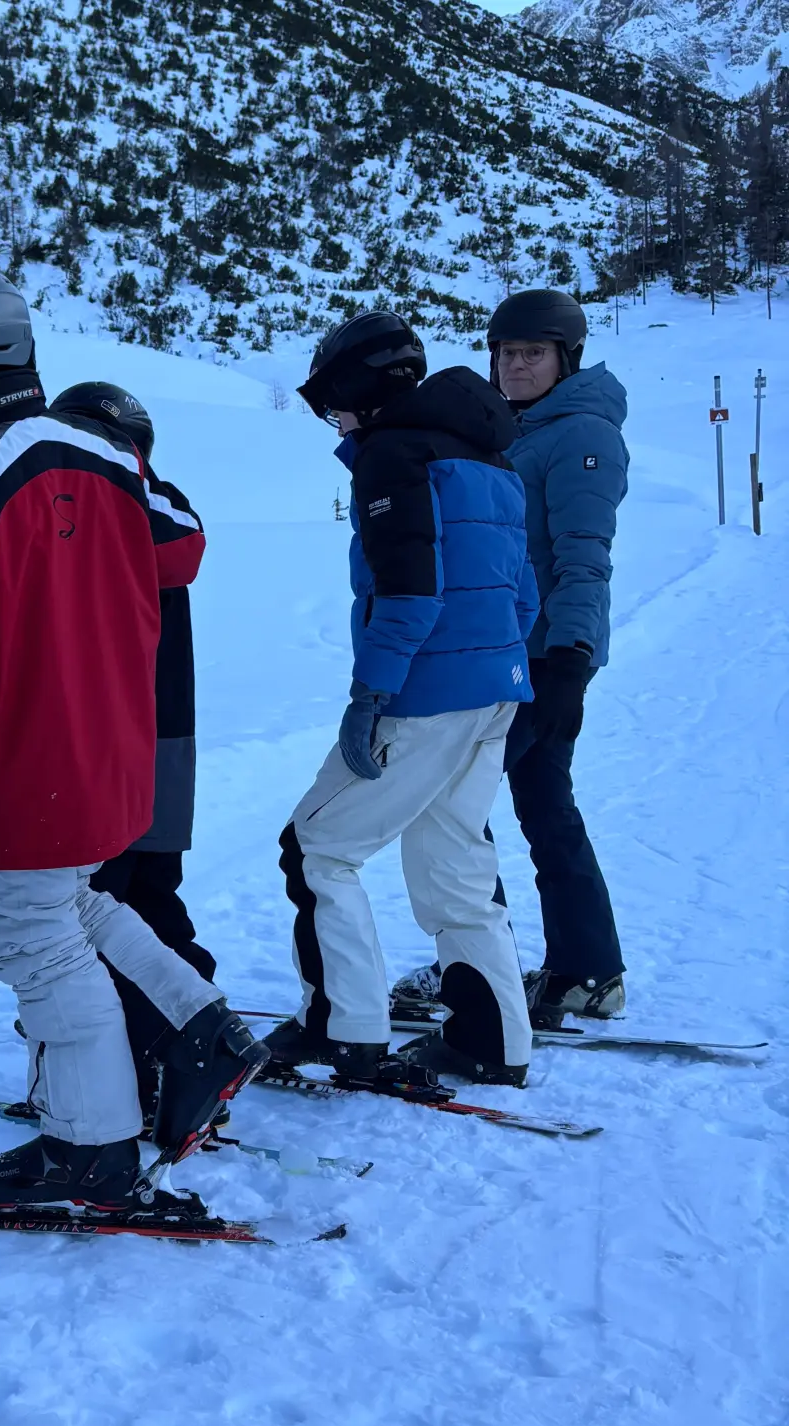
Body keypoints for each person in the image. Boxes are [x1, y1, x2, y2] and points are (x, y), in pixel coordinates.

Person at [0, 268, 266, 1214]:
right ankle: (202, 1025)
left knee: (33, 938)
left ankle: (89, 1148)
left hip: (21, 761)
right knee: (72, 905)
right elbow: (181, 546)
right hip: (111, 754)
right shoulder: (105, 454)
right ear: (24, 348)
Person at [269, 310, 537, 1088]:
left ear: (360, 385)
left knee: (318, 848)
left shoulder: (392, 456)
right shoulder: (491, 459)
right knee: (455, 866)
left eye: (331, 402)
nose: (334, 420)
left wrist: (371, 693)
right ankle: (494, 1041)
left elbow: (409, 593)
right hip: (495, 692)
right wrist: (497, 675)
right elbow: (523, 599)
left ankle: (343, 1028)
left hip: (424, 697)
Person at [395, 291, 628, 1023]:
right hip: (514, 652)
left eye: (533, 353)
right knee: (543, 805)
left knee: (453, 802)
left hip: (541, 657)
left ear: (566, 358)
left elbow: (585, 557)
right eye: (506, 352)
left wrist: (572, 658)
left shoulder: (581, 434)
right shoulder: (521, 429)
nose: (516, 365)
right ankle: (586, 972)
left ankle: (476, 967)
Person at [48, 383, 215, 996]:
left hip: (137, 737)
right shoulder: (58, 506)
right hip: (119, 732)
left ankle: (164, 1017)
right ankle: (174, 1007)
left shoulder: (145, 502)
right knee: (114, 890)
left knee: (117, 890)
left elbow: (184, 549)